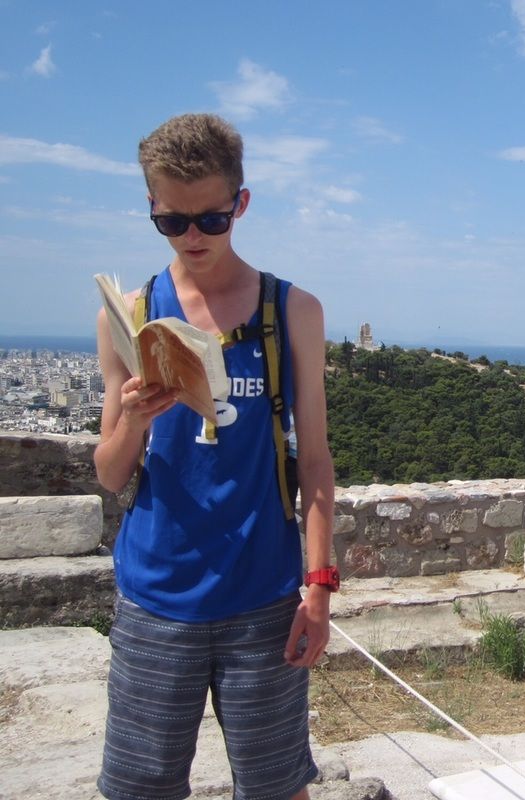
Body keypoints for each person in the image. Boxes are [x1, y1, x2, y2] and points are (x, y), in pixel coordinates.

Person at [94, 113, 337, 800]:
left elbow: (316, 462)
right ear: (152, 207)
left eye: (211, 219)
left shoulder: (290, 311)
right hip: (156, 595)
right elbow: (110, 474)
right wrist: (135, 419)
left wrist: (319, 587)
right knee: (140, 788)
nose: (193, 237)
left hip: (262, 593)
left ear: (241, 204)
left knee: (277, 786)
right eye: (173, 222)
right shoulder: (130, 315)